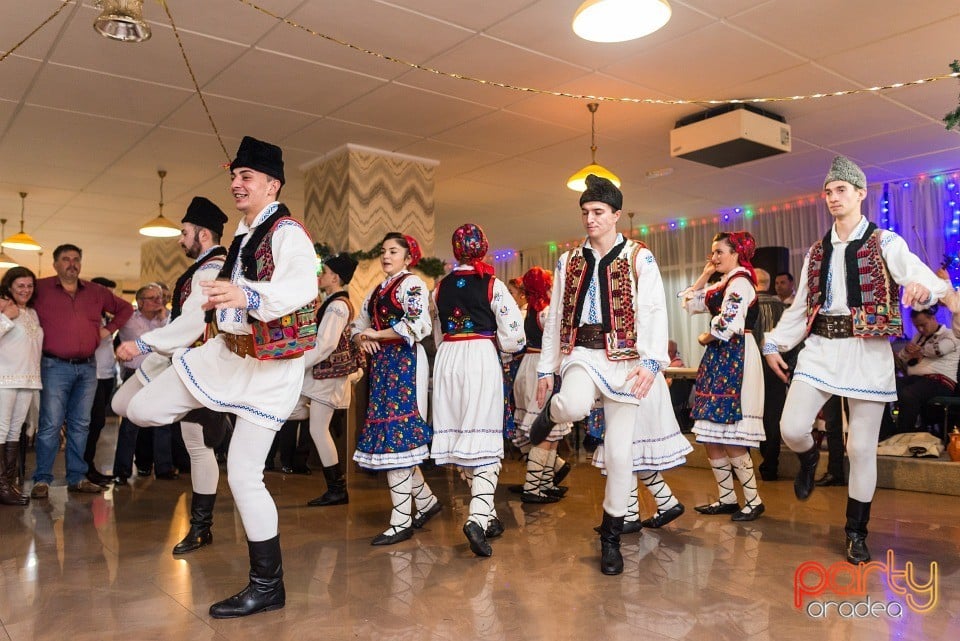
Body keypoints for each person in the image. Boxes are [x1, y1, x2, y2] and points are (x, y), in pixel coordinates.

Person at [124, 136, 318, 617]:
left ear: (272, 185)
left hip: (269, 368)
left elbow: (300, 285)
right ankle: (214, 408)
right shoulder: (241, 236)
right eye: (233, 176)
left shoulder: (288, 233)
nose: (236, 184)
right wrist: (148, 344)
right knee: (138, 409)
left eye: (245, 177)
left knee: (246, 475)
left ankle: (267, 586)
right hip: (225, 357)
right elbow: (196, 314)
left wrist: (248, 295)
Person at [763, 155, 950, 565]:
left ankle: (856, 531)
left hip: (867, 352)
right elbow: (800, 310)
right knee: (792, 427)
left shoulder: (886, 242)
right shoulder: (816, 251)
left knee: (860, 448)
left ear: (861, 193)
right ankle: (810, 455)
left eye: (841, 190)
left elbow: (919, 278)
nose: (833, 197)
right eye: (828, 191)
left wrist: (926, 290)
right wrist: (773, 343)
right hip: (821, 349)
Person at [528, 174, 686, 575]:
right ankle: (553, 414)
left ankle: (611, 536)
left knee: (619, 454)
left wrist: (651, 363)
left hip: (627, 360)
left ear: (616, 215)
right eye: (585, 212)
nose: (590, 219)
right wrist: (547, 368)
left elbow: (653, 309)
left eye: (598, 212)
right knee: (575, 402)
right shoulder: (568, 260)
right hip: (582, 351)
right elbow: (556, 319)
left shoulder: (639, 257)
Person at [113, 196, 229, 554]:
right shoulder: (202, 267)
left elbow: (195, 322)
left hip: (198, 363)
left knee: (188, 440)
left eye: (185, 232)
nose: (180, 239)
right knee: (121, 403)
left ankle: (201, 526)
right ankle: (204, 413)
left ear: (203, 234)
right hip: (176, 357)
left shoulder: (212, 270)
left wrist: (142, 344)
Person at [430, 223, 525, 556]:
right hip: (479, 357)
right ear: (483, 248)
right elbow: (515, 337)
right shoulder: (492, 284)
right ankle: (475, 518)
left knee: (461, 437)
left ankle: (489, 518)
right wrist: (502, 344)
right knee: (484, 439)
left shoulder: (438, 289)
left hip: (447, 361)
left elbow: (437, 332)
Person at [352, 232, 439, 547]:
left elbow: (418, 325)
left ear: (407, 257)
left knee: (398, 438)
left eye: (393, 251)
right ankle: (426, 502)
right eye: (384, 251)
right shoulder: (377, 291)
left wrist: (378, 334)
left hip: (406, 365)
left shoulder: (412, 285)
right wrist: (365, 337)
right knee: (393, 437)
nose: (386, 256)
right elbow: (358, 326)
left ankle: (401, 520)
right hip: (384, 369)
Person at [30, 244, 133, 498]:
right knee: (50, 425)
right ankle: (42, 478)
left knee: (81, 425)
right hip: (53, 366)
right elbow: (15, 294)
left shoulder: (95, 291)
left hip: (88, 367)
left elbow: (126, 309)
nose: (71, 264)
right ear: (55, 264)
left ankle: (77, 476)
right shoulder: (41, 288)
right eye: (65, 259)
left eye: (76, 259)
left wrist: (108, 330)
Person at [681, 231, 766, 522]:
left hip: (736, 354)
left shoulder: (741, 282)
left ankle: (753, 500)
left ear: (736, 254)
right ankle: (728, 497)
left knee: (731, 432)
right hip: (721, 357)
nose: (714, 257)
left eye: (719, 252)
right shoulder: (724, 283)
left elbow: (730, 320)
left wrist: (708, 335)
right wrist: (704, 275)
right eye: (712, 252)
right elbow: (691, 302)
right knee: (711, 433)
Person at [301, 252, 361, 507]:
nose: (320, 276)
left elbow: (325, 345)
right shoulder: (333, 302)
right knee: (314, 426)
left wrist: (298, 365)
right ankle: (336, 488)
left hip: (327, 376)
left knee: (317, 428)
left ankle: (337, 489)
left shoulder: (337, 305)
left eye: (323, 272)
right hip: (324, 375)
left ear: (335, 278)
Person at [511, 266, 571, 503]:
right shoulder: (545, 313)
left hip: (529, 367)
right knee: (546, 432)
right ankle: (533, 487)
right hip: (541, 371)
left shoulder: (527, 312)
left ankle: (545, 483)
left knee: (552, 433)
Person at [112, 284, 180, 481]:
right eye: (152, 298)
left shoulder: (168, 320)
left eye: (160, 297)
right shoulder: (128, 319)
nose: (159, 301)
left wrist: (165, 316)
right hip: (135, 374)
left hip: (160, 375)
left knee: (162, 422)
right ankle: (121, 472)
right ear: (140, 302)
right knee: (129, 424)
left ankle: (164, 468)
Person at [879, 306, 959, 439]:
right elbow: (903, 358)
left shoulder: (951, 334)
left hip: (940, 381)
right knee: (885, 387)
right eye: (917, 326)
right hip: (917, 380)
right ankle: (886, 432)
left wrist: (919, 350)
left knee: (909, 394)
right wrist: (907, 350)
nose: (920, 329)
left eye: (923, 325)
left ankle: (903, 436)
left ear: (932, 318)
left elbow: (940, 350)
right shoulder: (918, 337)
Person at [0, 267, 42, 505]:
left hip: (28, 379)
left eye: (29, 286)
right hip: (4, 378)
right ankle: (2, 486)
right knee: (1, 430)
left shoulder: (33, 313)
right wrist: (7, 318)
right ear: (10, 286)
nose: (25, 290)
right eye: (20, 286)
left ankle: (8, 483)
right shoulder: (4, 309)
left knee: (15, 432)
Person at [752, 268, 788, 481]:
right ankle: (770, 466)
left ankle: (743, 466)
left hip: (751, 366)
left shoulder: (748, 305)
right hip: (776, 366)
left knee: (748, 414)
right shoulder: (782, 307)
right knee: (774, 416)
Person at [85, 277, 119, 487]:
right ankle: (85, 468)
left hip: (107, 375)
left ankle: (89, 467)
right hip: (92, 375)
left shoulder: (106, 315)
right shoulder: (87, 314)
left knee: (98, 424)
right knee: (92, 423)